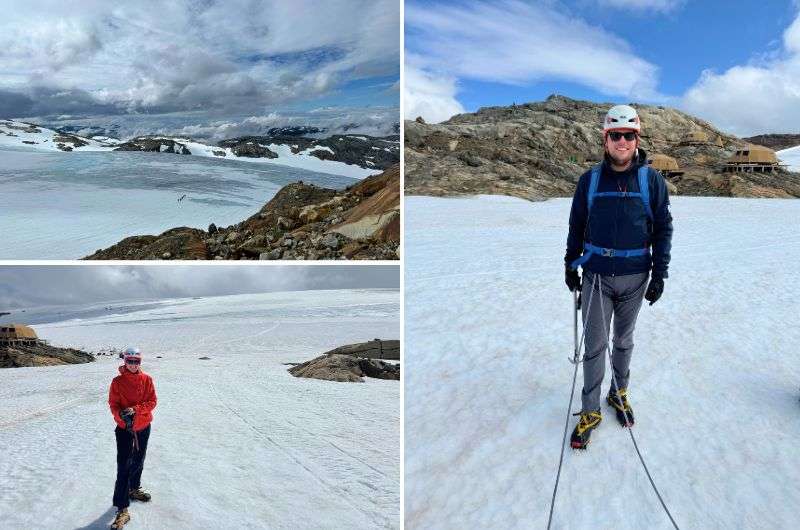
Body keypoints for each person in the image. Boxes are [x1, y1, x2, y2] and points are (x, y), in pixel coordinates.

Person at [564, 104, 673, 449]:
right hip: (596, 277)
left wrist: (660, 273)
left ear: (637, 138)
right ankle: (589, 409)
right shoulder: (590, 180)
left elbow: (663, 228)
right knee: (595, 346)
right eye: (616, 135)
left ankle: (619, 393)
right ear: (605, 138)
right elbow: (577, 224)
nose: (622, 141)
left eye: (629, 135)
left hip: (636, 277)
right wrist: (570, 263)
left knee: (624, 342)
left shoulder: (651, 180)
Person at [108, 347, 157, 528]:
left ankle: (133, 488)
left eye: (137, 362)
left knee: (139, 460)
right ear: (125, 361)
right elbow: (113, 404)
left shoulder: (147, 380)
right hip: (125, 430)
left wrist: (135, 410)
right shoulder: (117, 382)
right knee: (124, 467)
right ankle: (122, 509)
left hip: (143, 427)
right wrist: (121, 415)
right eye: (130, 361)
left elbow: (152, 401)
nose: (134, 365)